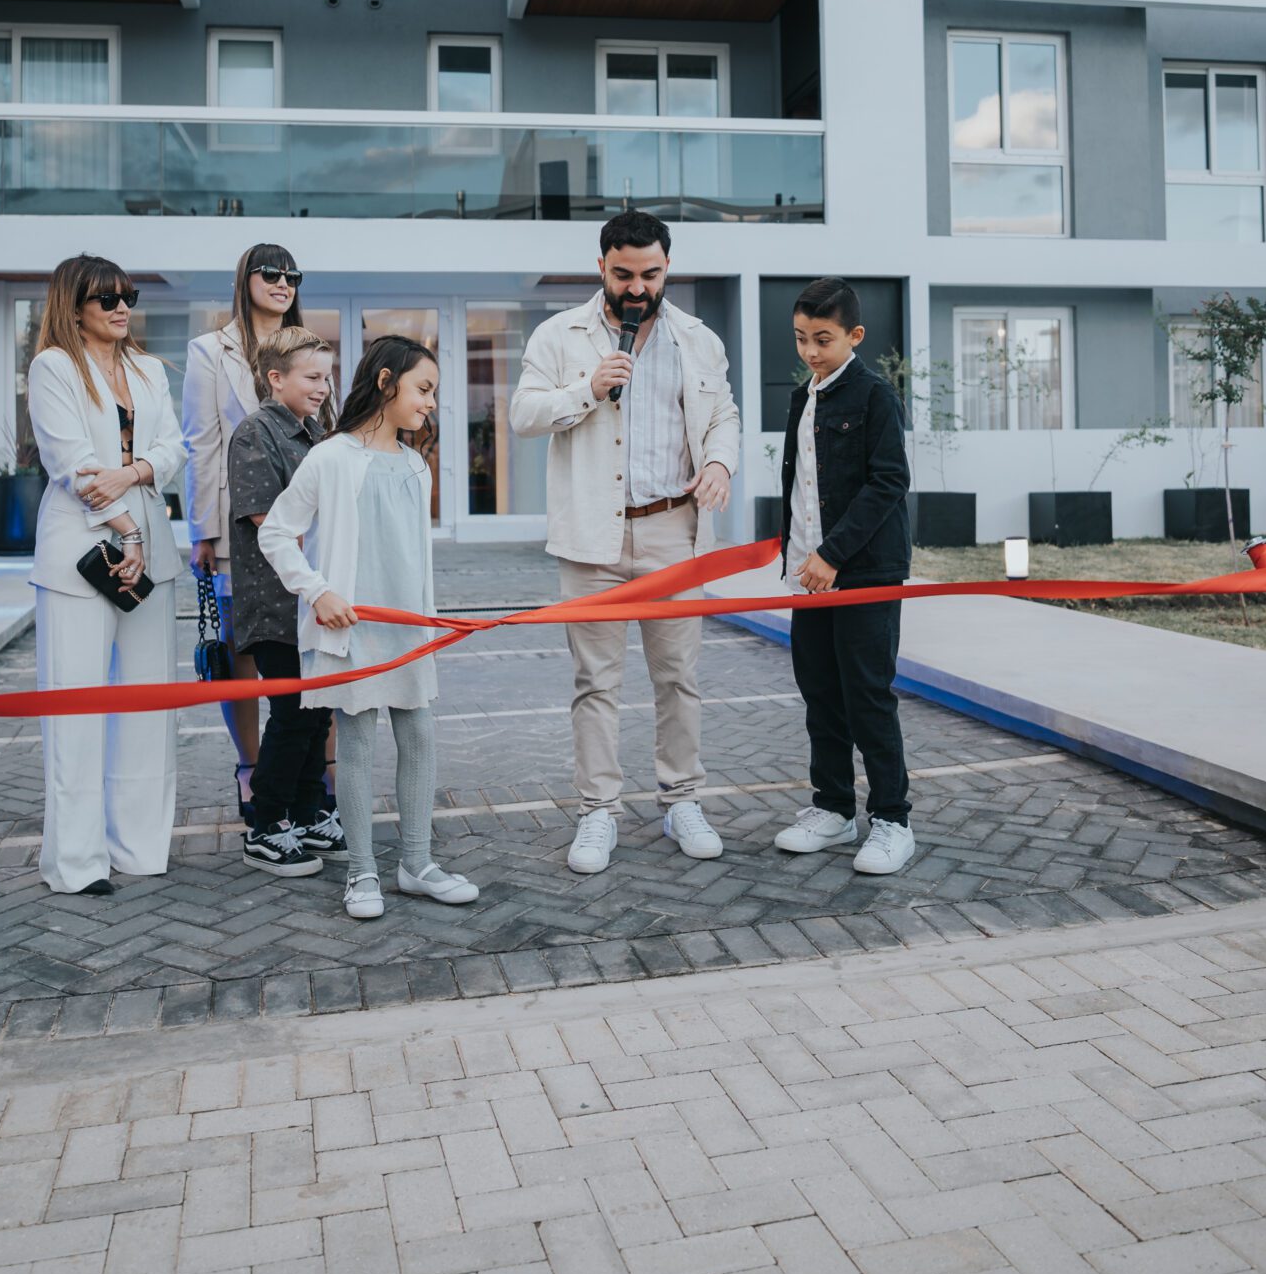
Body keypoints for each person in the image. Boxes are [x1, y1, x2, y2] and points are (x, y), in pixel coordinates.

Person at [509, 210, 740, 875]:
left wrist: (720, 462)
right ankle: (598, 811)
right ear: (602, 267)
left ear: (668, 267)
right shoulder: (560, 335)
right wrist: (586, 387)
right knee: (596, 681)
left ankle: (682, 800)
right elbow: (523, 413)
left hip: (675, 528)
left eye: (651, 274)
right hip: (590, 536)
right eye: (624, 274)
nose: (637, 287)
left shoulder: (698, 340)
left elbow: (722, 413)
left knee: (678, 676)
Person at [258, 334, 477, 921]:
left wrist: (431, 621)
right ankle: (361, 872)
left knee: (420, 736)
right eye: (423, 389)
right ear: (386, 382)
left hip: (407, 628)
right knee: (354, 744)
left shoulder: (416, 464)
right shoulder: (330, 457)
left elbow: (411, 555)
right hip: (350, 628)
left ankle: (416, 864)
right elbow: (275, 532)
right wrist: (318, 591)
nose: (431, 403)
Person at [25, 255, 187, 897]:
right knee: (76, 708)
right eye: (106, 298)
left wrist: (138, 471)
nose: (122, 308)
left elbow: (175, 448)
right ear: (74, 304)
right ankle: (76, 862)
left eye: (129, 296)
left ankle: (141, 848)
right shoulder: (53, 366)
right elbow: (72, 463)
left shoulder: (149, 370)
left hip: (153, 556)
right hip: (80, 556)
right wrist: (128, 528)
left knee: (149, 710)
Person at [770, 278, 916, 875]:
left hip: (863, 572)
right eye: (802, 338)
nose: (810, 350)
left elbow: (888, 482)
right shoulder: (803, 397)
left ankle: (892, 820)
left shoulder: (875, 395)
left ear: (854, 336)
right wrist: (802, 557)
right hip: (812, 576)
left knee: (867, 696)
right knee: (821, 694)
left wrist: (832, 553)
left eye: (823, 339)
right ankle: (833, 808)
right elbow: (803, 485)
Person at [183, 243, 312, 824]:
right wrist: (204, 530)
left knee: (306, 648)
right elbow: (203, 443)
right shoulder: (211, 350)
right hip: (241, 522)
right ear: (246, 278)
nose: (282, 283)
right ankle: (250, 769)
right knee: (242, 651)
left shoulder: (306, 342)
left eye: (292, 276)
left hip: (305, 518)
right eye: (271, 274)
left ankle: (315, 779)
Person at [229, 325, 340, 876]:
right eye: (312, 377)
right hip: (276, 604)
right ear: (276, 378)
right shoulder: (256, 434)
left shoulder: (316, 434)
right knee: (293, 713)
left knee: (317, 716)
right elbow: (267, 520)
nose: (323, 387)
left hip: (313, 601)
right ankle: (265, 823)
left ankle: (307, 808)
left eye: (327, 376)